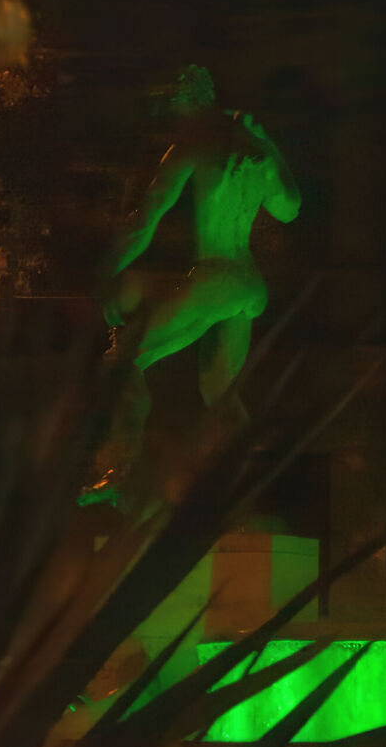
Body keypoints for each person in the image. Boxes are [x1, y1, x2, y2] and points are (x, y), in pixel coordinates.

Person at [82, 66, 301, 507]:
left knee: (123, 360)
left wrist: (104, 277)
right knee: (220, 396)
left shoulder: (190, 147)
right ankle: (250, 491)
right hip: (249, 286)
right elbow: (290, 208)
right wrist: (271, 144)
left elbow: (143, 225)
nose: (171, 117)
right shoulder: (254, 147)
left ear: (190, 105)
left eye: (174, 108)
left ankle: (118, 469)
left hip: (215, 276)